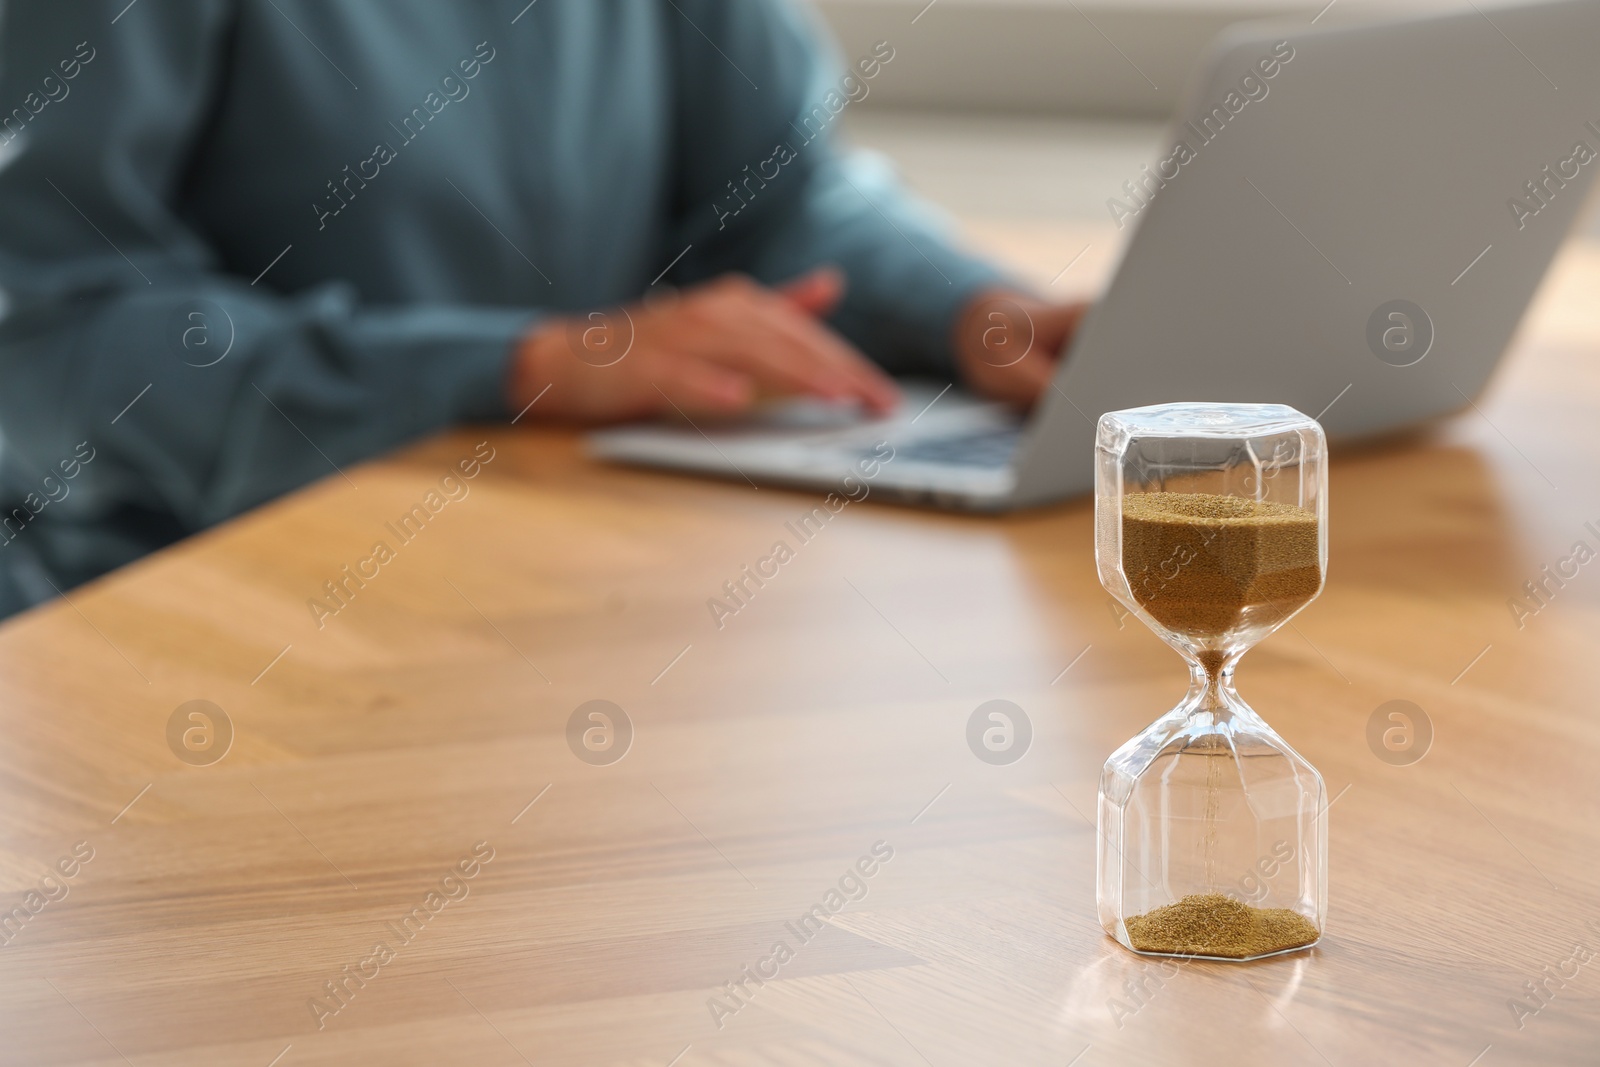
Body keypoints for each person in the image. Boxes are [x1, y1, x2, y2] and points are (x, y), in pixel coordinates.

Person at [0, 1, 1084, 616]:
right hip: (177, 615)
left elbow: (781, 202)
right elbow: (47, 342)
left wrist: (975, 316)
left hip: (571, 587)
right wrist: (521, 366)